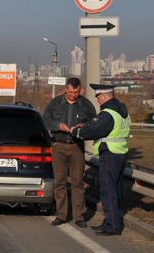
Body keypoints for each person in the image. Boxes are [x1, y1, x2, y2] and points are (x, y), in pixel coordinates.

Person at [70, 84, 131, 236]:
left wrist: (76, 131)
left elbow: (94, 130)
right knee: (114, 191)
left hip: (109, 154)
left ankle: (113, 227)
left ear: (103, 96)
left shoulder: (107, 113)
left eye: (97, 97)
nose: (97, 100)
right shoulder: (122, 111)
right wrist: (86, 125)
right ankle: (109, 222)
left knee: (108, 192)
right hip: (120, 153)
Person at [43, 77, 96, 228]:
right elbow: (46, 120)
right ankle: (61, 214)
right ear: (66, 89)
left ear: (80, 90)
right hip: (58, 145)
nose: (74, 95)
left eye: (77, 92)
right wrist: (58, 125)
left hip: (77, 146)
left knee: (78, 182)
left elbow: (95, 121)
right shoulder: (55, 103)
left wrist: (83, 125)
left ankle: (79, 216)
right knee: (60, 182)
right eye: (71, 92)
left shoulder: (85, 104)